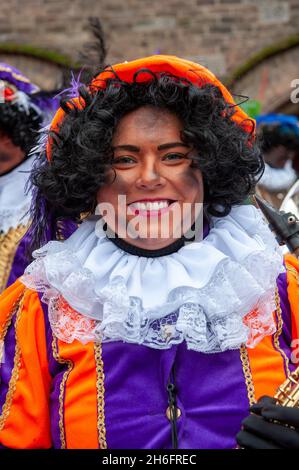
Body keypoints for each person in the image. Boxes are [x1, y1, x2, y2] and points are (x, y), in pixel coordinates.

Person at [0, 55, 299, 449]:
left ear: (208, 165)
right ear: (91, 175)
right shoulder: (40, 307)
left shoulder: (281, 285)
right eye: (123, 160)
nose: (149, 177)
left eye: (173, 156)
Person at [256, 114, 299, 208]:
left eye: (293, 150)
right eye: (288, 148)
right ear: (270, 143)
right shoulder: (248, 176)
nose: (290, 156)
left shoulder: (292, 182)